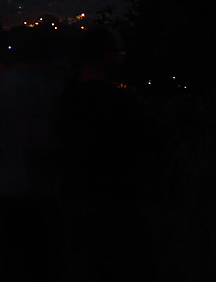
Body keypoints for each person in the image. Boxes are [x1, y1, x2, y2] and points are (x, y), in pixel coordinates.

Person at [58, 26, 159, 282]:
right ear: (107, 55)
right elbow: (153, 141)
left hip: (75, 200)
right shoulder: (122, 102)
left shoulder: (65, 99)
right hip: (119, 203)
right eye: (119, 52)